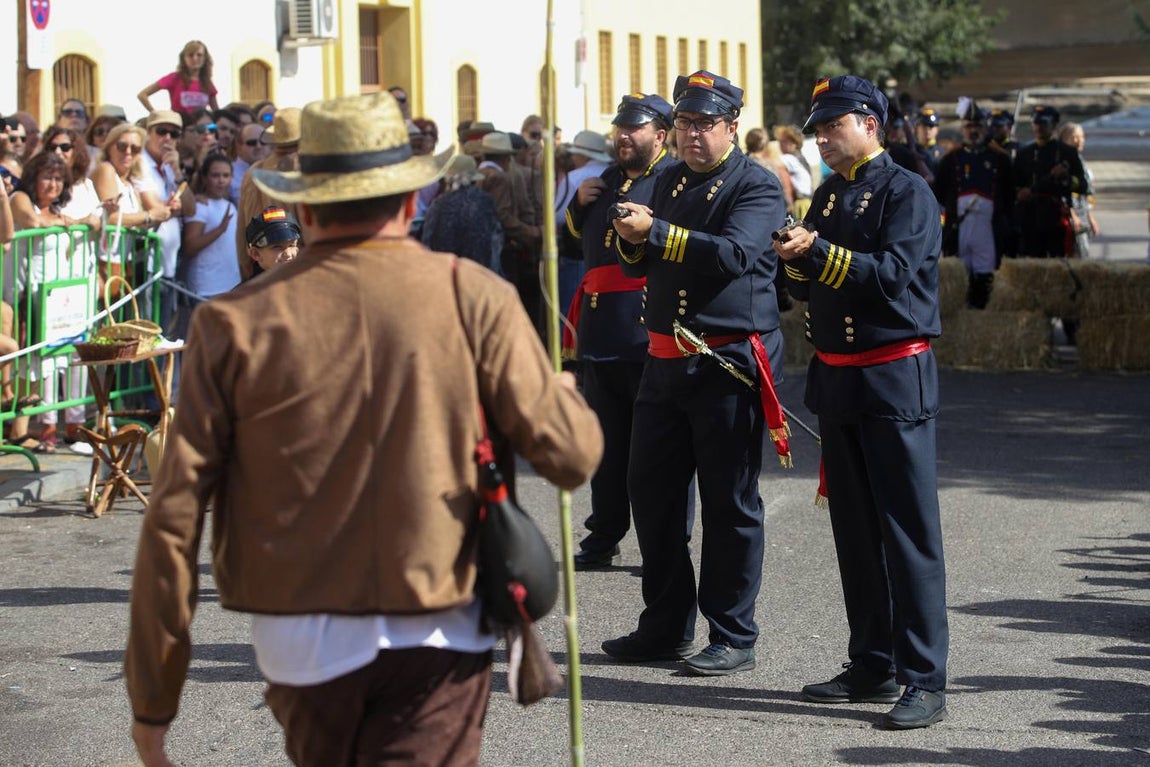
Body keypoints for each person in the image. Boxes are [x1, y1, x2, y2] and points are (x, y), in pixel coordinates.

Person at [124, 90, 602, 767]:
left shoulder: (232, 323)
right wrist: (562, 396)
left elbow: (172, 520)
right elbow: (573, 456)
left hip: (301, 636)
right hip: (439, 624)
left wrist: (154, 699)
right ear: (410, 201)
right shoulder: (475, 295)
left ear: (306, 206)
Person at [774, 74, 949, 730]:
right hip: (841, 381)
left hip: (891, 378)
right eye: (818, 126)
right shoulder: (828, 195)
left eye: (834, 124)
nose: (822, 135)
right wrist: (791, 254)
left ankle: (924, 675)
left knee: (907, 534)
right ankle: (872, 659)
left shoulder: (907, 192)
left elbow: (892, 278)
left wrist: (817, 249)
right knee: (854, 531)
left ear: (871, 124)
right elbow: (801, 285)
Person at [601, 70, 788, 677]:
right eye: (683, 123)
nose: (690, 135)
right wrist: (631, 236)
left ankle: (732, 632)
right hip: (664, 357)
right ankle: (665, 626)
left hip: (725, 358)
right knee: (651, 494)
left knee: (728, 501)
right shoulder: (669, 178)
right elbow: (641, 258)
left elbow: (736, 255)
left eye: (703, 124)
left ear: (731, 127)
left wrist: (654, 230)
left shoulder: (755, 185)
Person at [561, 93, 679, 570]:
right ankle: (602, 535)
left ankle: (667, 542)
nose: (624, 136)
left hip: (647, 327)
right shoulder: (602, 181)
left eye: (636, 128)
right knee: (606, 446)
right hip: (601, 332)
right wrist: (575, 205)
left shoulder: (673, 180)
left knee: (657, 449)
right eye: (620, 128)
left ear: (660, 135)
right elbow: (575, 243)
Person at [933, 101, 1015, 308]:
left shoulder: (1000, 159)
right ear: (962, 129)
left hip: (988, 225)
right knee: (960, 271)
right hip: (959, 225)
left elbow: (1009, 194)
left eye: (977, 127)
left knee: (985, 272)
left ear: (985, 128)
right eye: (969, 127)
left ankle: (982, 309)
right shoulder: (951, 159)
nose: (973, 131)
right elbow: (938, 193)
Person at [235, 107, 301, 280]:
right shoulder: (302, 172)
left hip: (258, 268)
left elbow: (241, 231)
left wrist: (246, 271)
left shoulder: (253, 171)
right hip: (294, 269)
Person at [1013, 104, 1086, 259]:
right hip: (1029, 217)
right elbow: (1014, 183)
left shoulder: (1067, 152)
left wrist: (1066, 178)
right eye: (1036, 123)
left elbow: (1082, 185)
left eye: (1044, 124)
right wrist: (1019, 193)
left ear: (1053, 125)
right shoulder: (1024, 153)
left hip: (1055, 217)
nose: (1039, 128)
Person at [420, 154, 503, 273]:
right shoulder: (484, 200)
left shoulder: (438, 203)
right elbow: (494, 241)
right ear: (474, 180)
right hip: (478, 273)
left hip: (445, 272)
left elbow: (427, 240)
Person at [180, 152, 240, 299]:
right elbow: (190, 246)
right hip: (205, 289)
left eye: (226, 176)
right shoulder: (200, 206)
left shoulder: (230, 206)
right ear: (205, 178)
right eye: (215, 175)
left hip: (232, 285)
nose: (221, 181)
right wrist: (219, 230)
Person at [137, 40, 220, 119]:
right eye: (190, 55)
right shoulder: (175, 78)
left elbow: (216, 112)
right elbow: (142, 95)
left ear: (205, 58)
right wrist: (156, 114)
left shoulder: (207, 83)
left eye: (199, 55)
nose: (195, 58)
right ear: (184, 58)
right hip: (179, 128)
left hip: (200, 130)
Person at [1057, 121, 1100, 259]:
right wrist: (1073, 216)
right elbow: (1063, 192)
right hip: (1069, 218)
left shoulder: (1079, 161)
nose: (1079, 141)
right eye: (1074, 137)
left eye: (1081, 137)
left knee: (1083, 255)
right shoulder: (1062, 162)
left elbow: (1086, 193)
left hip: (1082, 215)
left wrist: (1090, 217)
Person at [244, 205, 301, 272]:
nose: (288, 254)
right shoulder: (255, 283)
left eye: (291, 245)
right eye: (277, 247)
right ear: (255, 253)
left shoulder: (306, 281)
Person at [774, 124, 814, 217]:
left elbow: (772, 163)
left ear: (794, 143)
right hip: (807, 201)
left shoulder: (788, 158)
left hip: (799, 204)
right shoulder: (801, 158)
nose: (780, 144)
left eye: (784, 141)